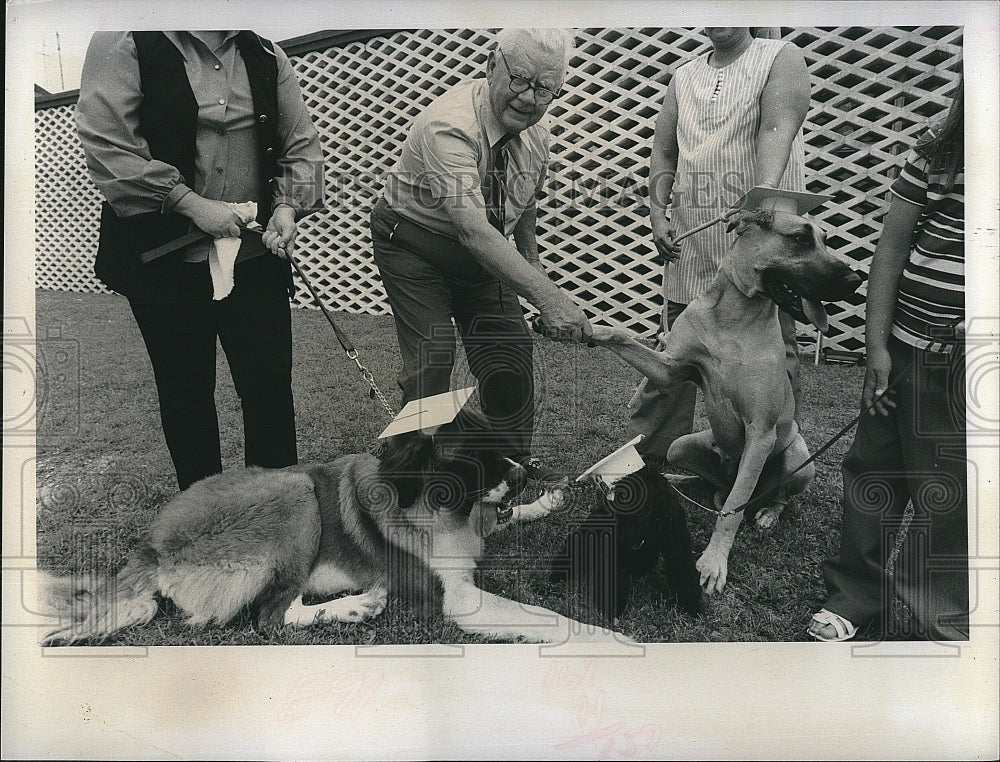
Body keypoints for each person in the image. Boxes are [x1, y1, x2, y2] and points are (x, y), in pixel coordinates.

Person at [77, 31, 325, 491]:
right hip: (163, 263)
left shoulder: (267, 52)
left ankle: (273, 519)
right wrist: (189, 203)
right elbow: (108, 146)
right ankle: (202, 523)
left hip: (253, 259)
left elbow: (301, 145)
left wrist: (288, 206)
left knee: (270, 391)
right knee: (186, 396)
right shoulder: (124, 39)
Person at [370, 28, 591, 477]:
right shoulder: (448, 125)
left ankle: (512, 462)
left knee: (510, 350)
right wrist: (550, 300)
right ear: (492, 65)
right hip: (414, 244)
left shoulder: (535, 137)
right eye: (520, 80)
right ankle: (407, 467)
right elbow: (473, 230)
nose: (530, 98)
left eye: (545, 88)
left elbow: (523, 207)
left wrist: (532, 267)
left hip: (481, 251)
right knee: (432, 357)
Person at [809, 79, 966, 641]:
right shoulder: (935, 152)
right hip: (903, 347)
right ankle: (855, 592)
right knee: (873, 470)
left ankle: (939, 615)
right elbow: (893, 248)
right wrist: (877, 345)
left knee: (947, 488)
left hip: (967, 363)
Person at [630, 27, 810, 468]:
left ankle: (767, 472)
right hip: (694, 239)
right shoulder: (683, 76)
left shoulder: (780, 56)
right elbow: (664, 153)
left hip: (761, 246)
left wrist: (760, 205)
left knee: (773, 355)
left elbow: (776, 130)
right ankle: (651, 462)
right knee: (676, 350)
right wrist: (658, 213)